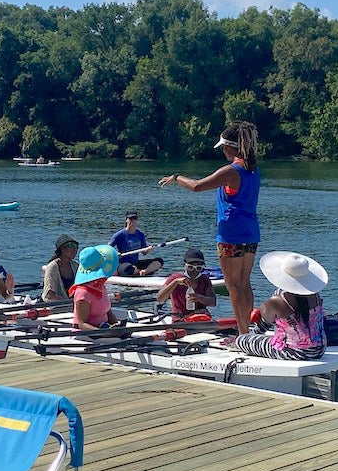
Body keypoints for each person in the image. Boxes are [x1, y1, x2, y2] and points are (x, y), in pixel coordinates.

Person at [159, 121, 260, 334]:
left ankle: (242, 335)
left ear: (232, 147)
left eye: (224, 147)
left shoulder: (230, 171)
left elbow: (196, 186)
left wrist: (176, 178)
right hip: (251, 233)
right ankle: (249, 330)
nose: (223, 150)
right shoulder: (253, 169)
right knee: (244, 283)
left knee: (233, 285)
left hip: (230, 234)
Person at [233, 251, 327, 360]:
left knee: (241, 340)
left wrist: (251, 335)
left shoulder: (277, 301)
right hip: (319, 349)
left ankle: (241, 340)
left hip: (293, 352)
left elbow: (266, 321)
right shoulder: (315, 295)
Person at [157, 248, 217, 322]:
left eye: (198, 268)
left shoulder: (204, 279)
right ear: (185, 265)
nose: (194, 271)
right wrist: (175, 282)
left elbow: (213, 302)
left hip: (201, 318)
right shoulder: (175, 278)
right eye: (190, 267)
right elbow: (160, 299)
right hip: (180, 318)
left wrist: (199, 298)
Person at [70, 244, 120, 331]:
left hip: (104, 329)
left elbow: (108, 312)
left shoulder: (100, 287)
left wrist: (118, 326)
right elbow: (82, 324)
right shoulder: (83, 293)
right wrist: (104, 332)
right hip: (86, 335)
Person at [109, 210, 163, 276]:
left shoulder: (140, 234)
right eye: (130, 218)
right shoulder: (119, 234)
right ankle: (136, 271)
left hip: (135, 263)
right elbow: (108, 248)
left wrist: (148, 250)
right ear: (126, 220)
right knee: (127, 268)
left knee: (159, 261)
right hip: (123, 263)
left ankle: (144, 272)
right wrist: (116, 253)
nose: (133, 220)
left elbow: (144, 252)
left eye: (135, 218)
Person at [42, 234, 80, 301]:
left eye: (76, 247)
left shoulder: (76, 265)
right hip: (54, 305)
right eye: (71, 246)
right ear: (62, 249)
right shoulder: (52, 267)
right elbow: (49, 295)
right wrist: (67, 303)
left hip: (71, 303)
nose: (75, 249)